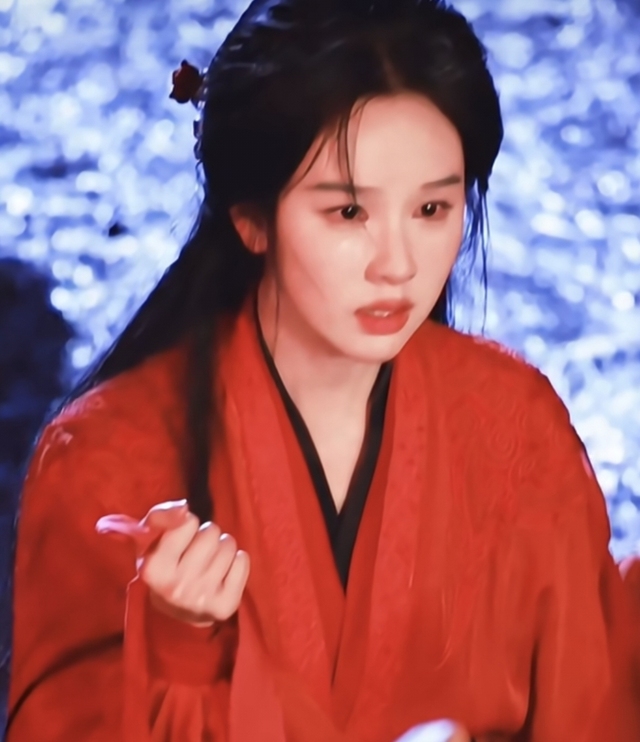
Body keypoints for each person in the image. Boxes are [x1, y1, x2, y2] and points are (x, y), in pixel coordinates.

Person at [6, 0, 640, 740]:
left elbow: (589, 699)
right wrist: (178, 651)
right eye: (348, 213)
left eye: (432, 210)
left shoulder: (516, 424)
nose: (398, 265)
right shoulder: (103, 460)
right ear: (251, 218)